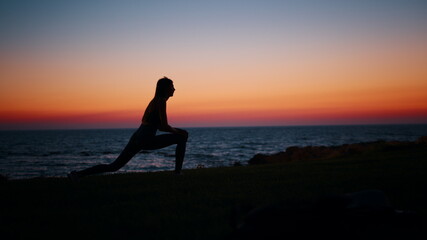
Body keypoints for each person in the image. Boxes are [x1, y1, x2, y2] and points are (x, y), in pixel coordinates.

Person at [68, 77, 188, 182]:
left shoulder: (155, 101)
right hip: (146, 139)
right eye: (172, 86)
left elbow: (160, 126)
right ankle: (177, 173)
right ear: (165, 88)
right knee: (182, 137)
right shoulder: (161, 101)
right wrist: (179, 131)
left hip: (137, 137)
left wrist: (176, 130)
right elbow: (164, 127)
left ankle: (77, 174)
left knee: (114, 166)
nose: (174, 89)